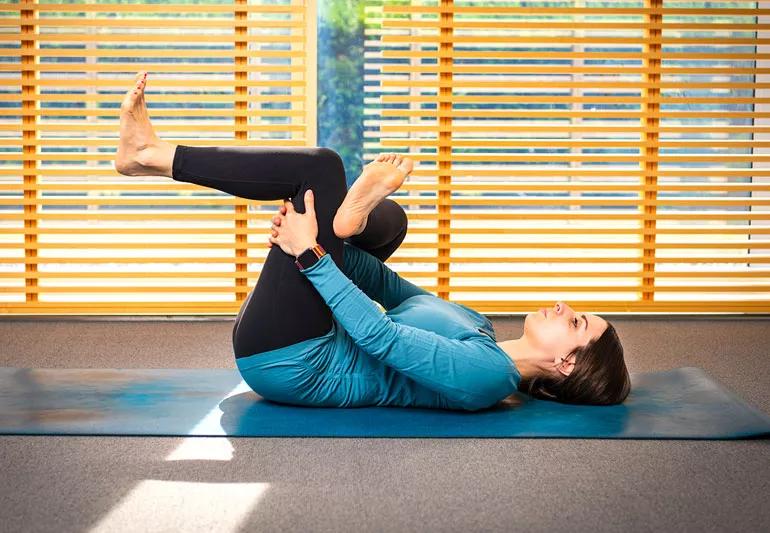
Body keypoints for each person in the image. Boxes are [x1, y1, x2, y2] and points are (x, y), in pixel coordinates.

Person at [116, 72, 631, 410]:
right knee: (392, 223)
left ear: (567, 364)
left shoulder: (487, 377)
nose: (564, 307)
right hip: (311, 328)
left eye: (576, 321)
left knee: (319, 169)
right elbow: (392, 287)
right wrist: (334, 243)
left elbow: (381, 339)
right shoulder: (476, 327)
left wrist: (311, 255)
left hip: (294, 361)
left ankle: (149, 155)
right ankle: (349, 225)